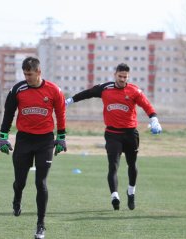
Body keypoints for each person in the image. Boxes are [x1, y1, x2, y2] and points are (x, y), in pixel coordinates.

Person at [65, 63, 162, 211]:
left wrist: (154, 119)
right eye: (120, 76)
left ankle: (131, 192)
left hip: (130, 133)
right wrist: (70, 100)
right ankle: (114, 196)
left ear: (128, 77)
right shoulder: (105, 88)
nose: (123, 79)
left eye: (125, 77)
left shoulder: (134, 91)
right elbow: (87, 93)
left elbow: (147, 106)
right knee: (113, 166)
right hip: (112, 134)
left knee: (132, 164)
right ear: (115, 75)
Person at [0, 57, 67, 239]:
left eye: (30, 74)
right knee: (20, 182)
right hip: (24, 140)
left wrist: (61, 138)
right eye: (25, 74)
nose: (27, 77)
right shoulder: (18, 90)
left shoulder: (54, 90)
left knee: (41, 183)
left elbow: (60, 114)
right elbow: (9, 113)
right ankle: (17, 199)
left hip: (45, 141)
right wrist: (3, 137)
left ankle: (40, 224)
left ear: (39, 72)